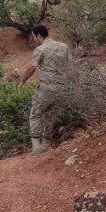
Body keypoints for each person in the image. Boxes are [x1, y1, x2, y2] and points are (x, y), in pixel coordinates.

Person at [20, 25, 74, 154]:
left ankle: (36, 147)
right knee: (50, 116)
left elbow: (32, 68)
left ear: (39, 36)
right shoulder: (63, 46)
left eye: (33, 37)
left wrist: (23, 81)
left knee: (35, 113)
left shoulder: (40, 49)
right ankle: (46, 145)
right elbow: (72, 68)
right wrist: (76, 86)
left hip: (47, 87)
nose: (33, 40)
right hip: (62, 88)